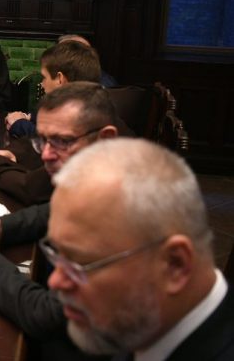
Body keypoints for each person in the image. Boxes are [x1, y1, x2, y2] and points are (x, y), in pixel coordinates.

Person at [0, 83, 119, 353]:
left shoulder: (122, 211)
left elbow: (48, 316)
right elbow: (51, 211)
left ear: (104, 139)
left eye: (62, 141)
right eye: (43, 140)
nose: (46, 155)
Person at [46, 138, 233, 359]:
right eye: (56, 252)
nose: (55, 281)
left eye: (81, 264)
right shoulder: (138, 324)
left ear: (175, 265)